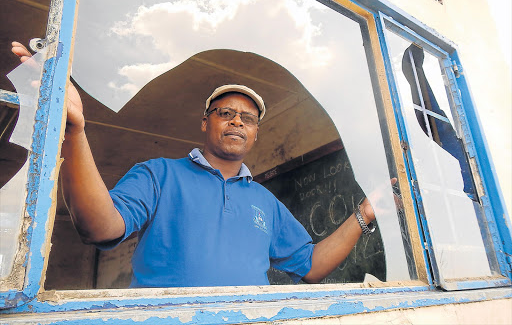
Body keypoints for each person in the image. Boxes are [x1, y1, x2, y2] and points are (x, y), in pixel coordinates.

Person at [11, 41, 377, 287]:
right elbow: (100, 228)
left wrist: (364, 214)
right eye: (226, 113)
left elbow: (311, 265)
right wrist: (74, 132)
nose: (237, 122)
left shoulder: (266, 203)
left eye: (247, 119)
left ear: (255, 134)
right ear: (206, 122)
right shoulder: (158, 175)